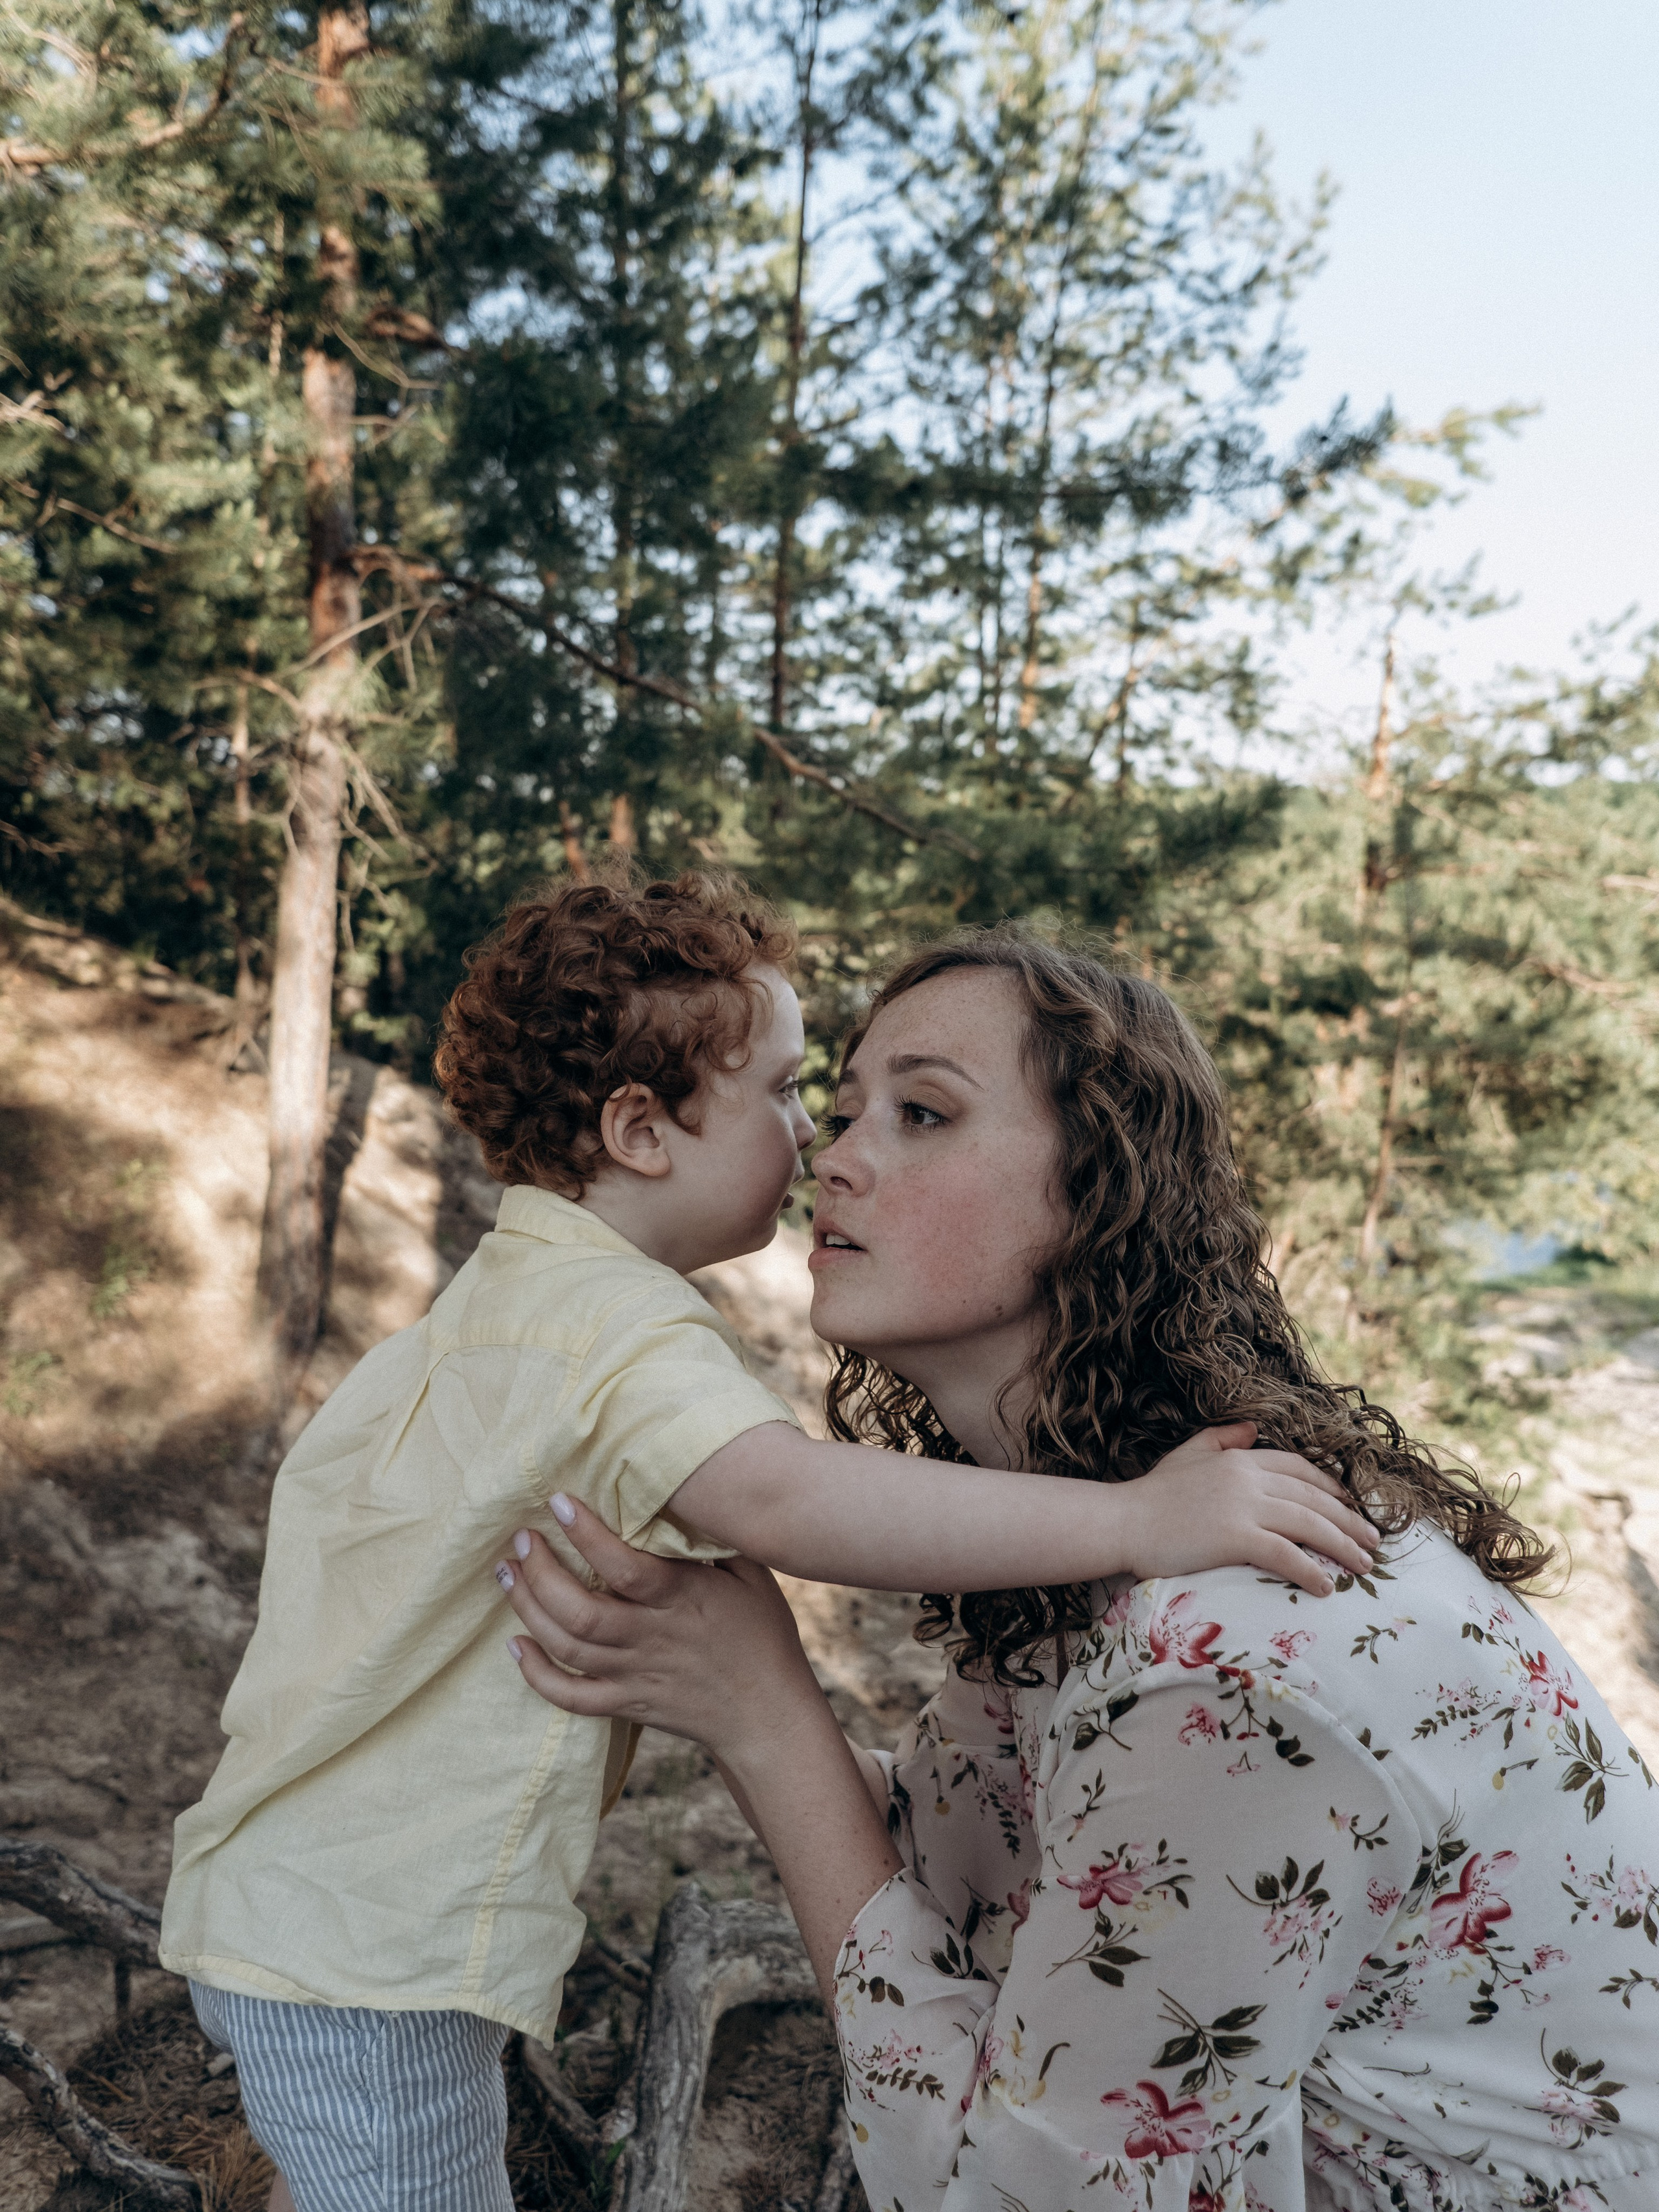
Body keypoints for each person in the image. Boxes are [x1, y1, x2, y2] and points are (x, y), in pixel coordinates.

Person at [160, 877, 1375, 2212]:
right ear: (639, 1129)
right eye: (793, 1093)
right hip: (356, 1955)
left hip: (320, 1928)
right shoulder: (611, 1329)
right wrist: (1141, 1518)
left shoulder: (505, 1308)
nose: (815, 1141)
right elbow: (791, 1504)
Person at [500, 927, 1659, 2212]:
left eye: (922, 1112)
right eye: (833, 1112)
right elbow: (978, 1855)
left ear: (1099, 1189)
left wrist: (763, 1715)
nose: (834, 1156)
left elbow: (1019, 2200)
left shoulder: (1229, 1659)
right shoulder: (1120, 1523)